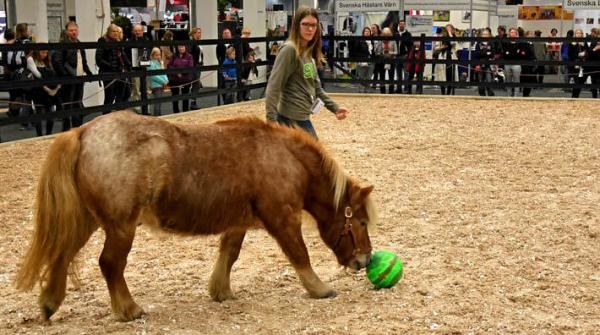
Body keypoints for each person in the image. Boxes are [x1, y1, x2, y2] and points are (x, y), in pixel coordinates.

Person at [265, 6, 348, 140]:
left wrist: (335, 108)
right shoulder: (289, 50)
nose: (310, 29)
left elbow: (316, 88)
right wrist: (271, 121)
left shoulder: (307, 51)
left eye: (313, 25)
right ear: (297, 25)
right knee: (315, 157)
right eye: (306, 24)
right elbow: (274, 85)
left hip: (301, 116)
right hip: (290, 119)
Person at [52, 21, 93, 130]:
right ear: (66, 31)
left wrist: (89, 72)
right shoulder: (63, 44)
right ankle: (66, 129)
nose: (73, 32)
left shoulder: (79, 43)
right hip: (69, 79)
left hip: (79, 79)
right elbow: (57, 61)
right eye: (71, 30)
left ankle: (77, 127)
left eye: (75, 30)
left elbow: (83, 61)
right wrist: (65, 75)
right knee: (67, 104)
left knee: (77, 103)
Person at [95, 24, 131, 113]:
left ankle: (118, 115)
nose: (115, 33)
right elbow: (98, 59)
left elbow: (122, 55)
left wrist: (128, 64)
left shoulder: (117, 41)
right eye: (113, 31)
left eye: (116, 31)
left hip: (119, 72)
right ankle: (106, 117)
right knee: (109, 97)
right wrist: (110, 66)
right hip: (108, 73)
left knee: (124, 94)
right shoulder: (103, 40)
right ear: (108, 32)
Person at [26, 47, 61, 136]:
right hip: (37, 90)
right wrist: (47, 85)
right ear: (37, 51)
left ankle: (49, 133)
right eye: (42, 52)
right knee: (39, 113)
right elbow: (37, 74)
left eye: (46, 52)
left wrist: (53, 88)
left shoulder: (47, 61)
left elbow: (53, 75)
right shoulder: (31, 59)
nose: (44, 54)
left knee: (50, 112)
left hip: (47, 90)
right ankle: (39, 135)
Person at [127, 24, 150, 112]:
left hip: (145, 67)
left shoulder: (146, 40)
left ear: (142, 31)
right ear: (133, 32)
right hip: (134, 68)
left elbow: (149, 51)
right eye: (136, 31)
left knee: (146, 88)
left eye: (139, 30)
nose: (137, 32)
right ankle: (137, 106)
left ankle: (146, 106)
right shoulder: (129, 41)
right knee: (136, 88)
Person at [167, 44, 193, 113]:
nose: (181, 48)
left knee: (185, 97)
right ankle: (176, 112)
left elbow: (190, 66)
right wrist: (177, 72)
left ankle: (185, 111)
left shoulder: (189, 56)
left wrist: (181, 72)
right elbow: (169, 66)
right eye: (179, 47)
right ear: (177, 47)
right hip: (174, 80)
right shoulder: (173, 56)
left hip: (185, 79)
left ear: (185, 47)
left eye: (182, 47)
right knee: (175, 97)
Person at [473, 28, 496, 96]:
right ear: (481, 35)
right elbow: (476, 54)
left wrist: (484, 53)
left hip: (488, 64)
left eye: (486, 34)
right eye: (484, 34)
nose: (485, 35)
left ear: (489, 35)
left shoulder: (491, 43)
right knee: (481, 80)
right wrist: (486, 53)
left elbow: (492, 54)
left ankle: (490, 94)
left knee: (489, 80)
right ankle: (482, 94)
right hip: (480, 64)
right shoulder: (478, 44)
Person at [350, 26, 374, 93]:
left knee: (369, 77)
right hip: (361, 60)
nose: (367, 33)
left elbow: (374, 51)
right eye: (366, 31)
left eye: (368, 31)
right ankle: (361, 91)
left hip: (371, 61)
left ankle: (367, 91)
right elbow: (355, 51)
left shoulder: (372, 41)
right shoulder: (359, 40)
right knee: (361, 77)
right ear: (363, 33)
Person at [567, 29, 589, 98]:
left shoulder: (584, 42)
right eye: (577, 33)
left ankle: (577, 96)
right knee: (576, 82)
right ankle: (574, 97)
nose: (579, 34)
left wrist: (585, 53)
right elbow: (570, 54)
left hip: (583, 65)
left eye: (580, 33)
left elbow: (587, 51)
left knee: (581, 81)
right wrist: (578, 54)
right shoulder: (572, 43)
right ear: (575, 34)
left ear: (582, 34)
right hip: (575, 64)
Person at [374, 27, 397, 94]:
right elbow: (376, 51)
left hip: (391, 60)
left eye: (387, 34)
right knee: (382, 76)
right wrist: (381, 53)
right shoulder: (380, 41)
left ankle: (391, 91)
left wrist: (390, 53)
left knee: (391, 76)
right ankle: (382, 91)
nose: (386, 36)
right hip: (382, 60)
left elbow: (396, 52)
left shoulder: (393, 41)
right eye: (384, 34)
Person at [147, 47, 168, 116]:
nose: (158, 56)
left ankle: (159, 118)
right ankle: (156, 118)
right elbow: (153, 76)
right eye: (156, 55)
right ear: (152, 55)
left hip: (161, 85)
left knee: (159, 104)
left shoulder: (159, 63)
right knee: (157, 104)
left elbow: (163, 72)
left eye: (159, 55)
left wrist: (166, 80)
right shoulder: (150, 63)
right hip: (155, 85)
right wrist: (163, 81)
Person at [395, 19, 412, 93]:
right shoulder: (396, 34)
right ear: (399, 25)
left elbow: (411, 45)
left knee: (406, 73)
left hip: (405, 55)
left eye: (403, 24)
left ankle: (406, 88)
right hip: (397, 56)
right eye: (400, 24)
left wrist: (408, 54)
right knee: (398, 73)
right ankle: (399, 88)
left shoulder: (408, 34)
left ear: (405, 25)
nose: (401, 25)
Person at [189, 27, 204, 109]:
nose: (199, 34)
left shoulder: (199, 43)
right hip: (194, 66)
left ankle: (193, 101)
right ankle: (192, 102)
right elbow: (191, 55)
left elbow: (200, 54)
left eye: (200, 32)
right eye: (198, 32)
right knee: (196, 83)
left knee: (196, 84)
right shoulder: (192, 43)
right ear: (194, 34)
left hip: (199, 65)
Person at [587, 28, 600, 98]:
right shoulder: (593, 41)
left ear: (594, 33)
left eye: (592, 32)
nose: (591, 34)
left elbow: (590, 53)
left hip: (595, 64)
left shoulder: (594, 41)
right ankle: (594, 97)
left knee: (594, 81)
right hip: (594, 65)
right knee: (594, 81)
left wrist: (594, 49)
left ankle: (594, 97)